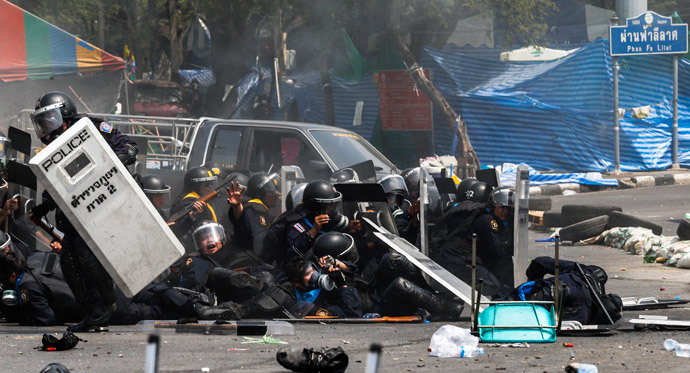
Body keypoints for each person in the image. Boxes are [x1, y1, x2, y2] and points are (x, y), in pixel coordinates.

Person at [28, 91, 138, 332]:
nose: (46, 127)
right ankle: (94, 312)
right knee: (68, 260)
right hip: (76, 210)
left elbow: (129, 147)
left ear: (64, 114)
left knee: (84, 252)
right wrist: (44, 206)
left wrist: (111, 162)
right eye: (42, 123)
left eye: (49, 119)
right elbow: (60, 182)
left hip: (104, 203)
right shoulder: (54, 147)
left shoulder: (90, 128)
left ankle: (106, 305)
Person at [430, 186, 514, 296]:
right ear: (493, 205)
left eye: (508, 208)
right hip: (460, 258)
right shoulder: (487, 220)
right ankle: (452, 292)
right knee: (492, 285)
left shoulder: (480, 215)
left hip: (453, 256)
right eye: (501, 207)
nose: (505, 211)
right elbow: (496, 250)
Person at [262, 180, 362, 267]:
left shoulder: (323, 218)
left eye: (334, 205)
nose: (331, 210)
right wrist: (312, 232)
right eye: (329, 206)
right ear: (317, 207)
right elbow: (292, 255)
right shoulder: (296, 224)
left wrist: (347, 227)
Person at [284, 256, 362, 318]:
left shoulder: (327, 273)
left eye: (314, 270)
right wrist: (342, 285)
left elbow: (357, 271)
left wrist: (335, 263)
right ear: (297, 283)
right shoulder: (310, 308)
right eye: (308, 274)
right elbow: (353, 317)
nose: (315, 275)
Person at [228, 172, 280, 255]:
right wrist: (278, 217)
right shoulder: (253, 211)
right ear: (260, 193)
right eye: (271, 191)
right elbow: (259, 243)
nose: (276, 195)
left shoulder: (259, 209)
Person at [170, 166, 219, 251]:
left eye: (211, 183)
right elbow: (184, 232)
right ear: (196, 186)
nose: (210, 187)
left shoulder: (199, 200)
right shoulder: (189, 203)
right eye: (206, 184)